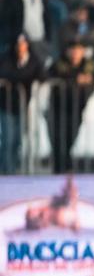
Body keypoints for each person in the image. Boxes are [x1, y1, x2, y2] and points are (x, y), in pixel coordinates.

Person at [47, 38, 94, 175]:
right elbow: (51, 72)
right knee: (58, 138)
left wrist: (90, 77)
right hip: (58, 108)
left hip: (77, 108)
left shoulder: (88, 64)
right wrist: (76, 77)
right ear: (67, 51)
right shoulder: (60, 62)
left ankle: (65, 166)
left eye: (78, 50)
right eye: (73, 50)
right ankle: (60, 168)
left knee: (71, 137)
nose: (75, 53)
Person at [0, 34, 45, 173]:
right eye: (18, 45)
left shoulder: (33, 60)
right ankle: (7, 171)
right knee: (8, 139)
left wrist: (16, 80)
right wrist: (25, 79)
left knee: (18, 141)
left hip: (22, 106)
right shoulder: (8, 58)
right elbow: (5, 72)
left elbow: (43, 75)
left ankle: (12, 169)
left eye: (23, 44)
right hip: (6, 105)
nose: (21, 47)